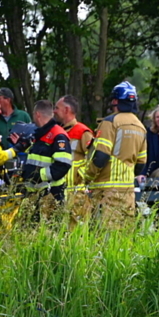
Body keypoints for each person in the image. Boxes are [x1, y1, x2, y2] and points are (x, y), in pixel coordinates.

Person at [82, 81, 147, 231]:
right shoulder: (141, 126)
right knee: (124, 238)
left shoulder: (110, 122)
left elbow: (101, 156)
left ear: (115, 101)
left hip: (106, 190)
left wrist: (86, 177)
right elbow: (141, 164)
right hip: (128, 191)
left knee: (104, 237)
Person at [17, 99, 72, 221]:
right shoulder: (40, 134)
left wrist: (37, 175)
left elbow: (63, 165)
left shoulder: (58, 135)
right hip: (35, 195)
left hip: (51, 195)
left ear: (37, 114)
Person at [54, 95, 95, 227]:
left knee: (77, 234)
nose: (54, 111)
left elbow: (93, 159)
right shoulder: (56, 132)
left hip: (77, 194)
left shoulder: (83, 132)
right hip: (58, 191)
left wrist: (82, 178)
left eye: (57, 108)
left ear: (66, 110)